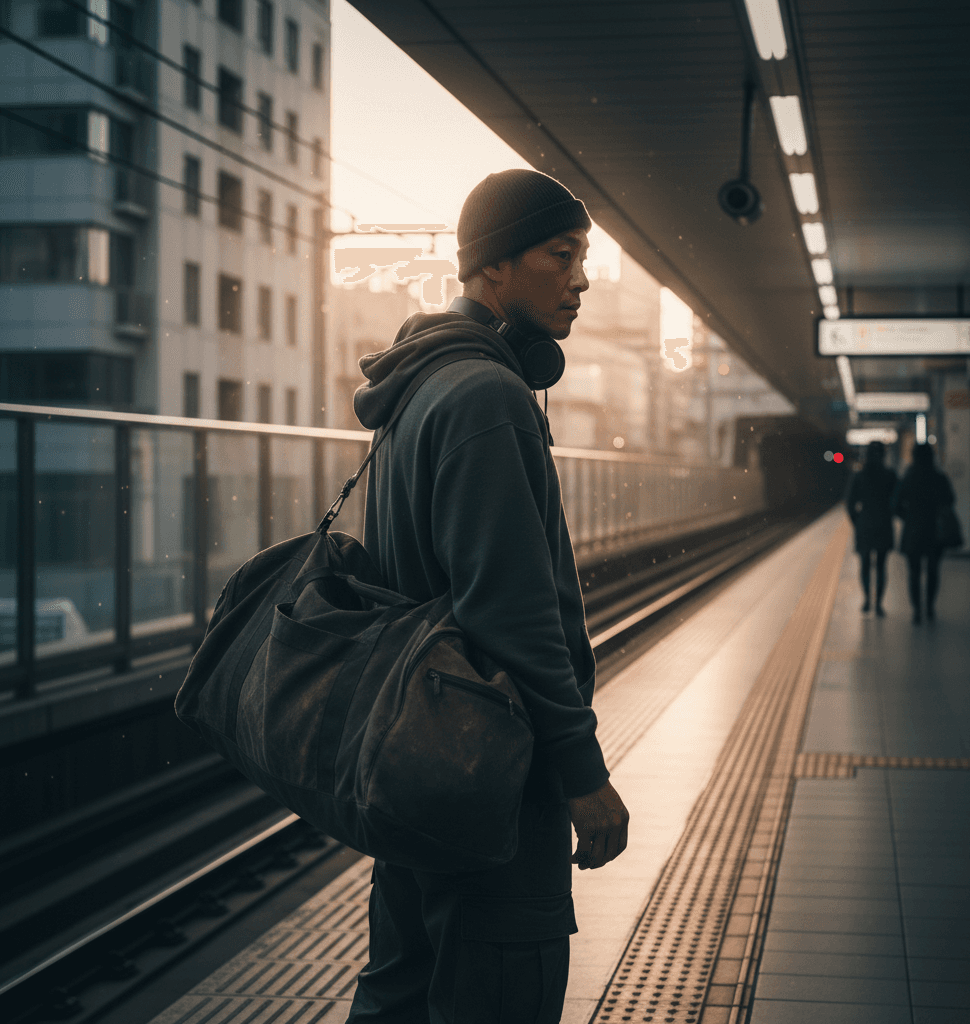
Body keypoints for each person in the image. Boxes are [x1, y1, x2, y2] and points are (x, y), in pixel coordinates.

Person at [347, 169, 630, 1024]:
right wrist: (581, 772)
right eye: (561, 255)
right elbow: (513, 612)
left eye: (582, 258)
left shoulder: (420, 387)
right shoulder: (489, 396)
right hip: (490, 768)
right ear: (494, 266)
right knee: (501, 988)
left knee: (400, 990)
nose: (581, 279)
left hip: (416, 755)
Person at [893, 441, 956, 623]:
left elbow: (895, 505)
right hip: (935, 531)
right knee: (933, 570)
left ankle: (916, 611)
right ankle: (929, 608)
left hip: (913, 531)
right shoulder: (939, 477)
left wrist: (908, 517)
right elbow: (950, 500)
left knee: (914, 572)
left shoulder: (908, 478)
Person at [845, 440, 897, 616]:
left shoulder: (859, 476)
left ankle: (867, 600)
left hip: (864, 524)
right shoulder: (890, 475)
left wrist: (857, 522)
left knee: (865, 565)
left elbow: (850, 504)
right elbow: (897, 500)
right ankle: (879, 604)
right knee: (881, 566)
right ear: (883, 455)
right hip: (884, 524)